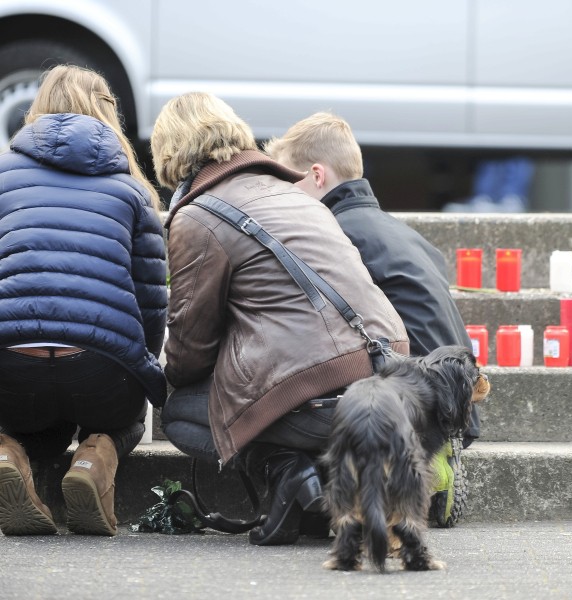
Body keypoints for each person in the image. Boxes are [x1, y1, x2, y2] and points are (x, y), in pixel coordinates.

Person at [151, 93, 408, 546]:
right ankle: (312, 488)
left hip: (321, 397)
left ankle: (286, 471)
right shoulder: (302, 198)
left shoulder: (197, 217)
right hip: (389, 379)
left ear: (170, 156)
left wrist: (167, 372)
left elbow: (190, 350)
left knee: (181, 412)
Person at [264, 112, 481, 527]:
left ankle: (424, 470)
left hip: (407, 406)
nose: (286, 197)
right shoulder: (398, 230)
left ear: (316, 175)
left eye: (290, 184)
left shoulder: (333, 233)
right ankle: (436, 460)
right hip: (450, 404)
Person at [0, 65, 168, 537]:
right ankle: (95, 462)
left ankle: (10, 452)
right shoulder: (133, 190)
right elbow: (151, 304)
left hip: (10, 363)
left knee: (32, 414)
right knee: (127, 416)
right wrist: (139, 366)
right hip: (99, 371)